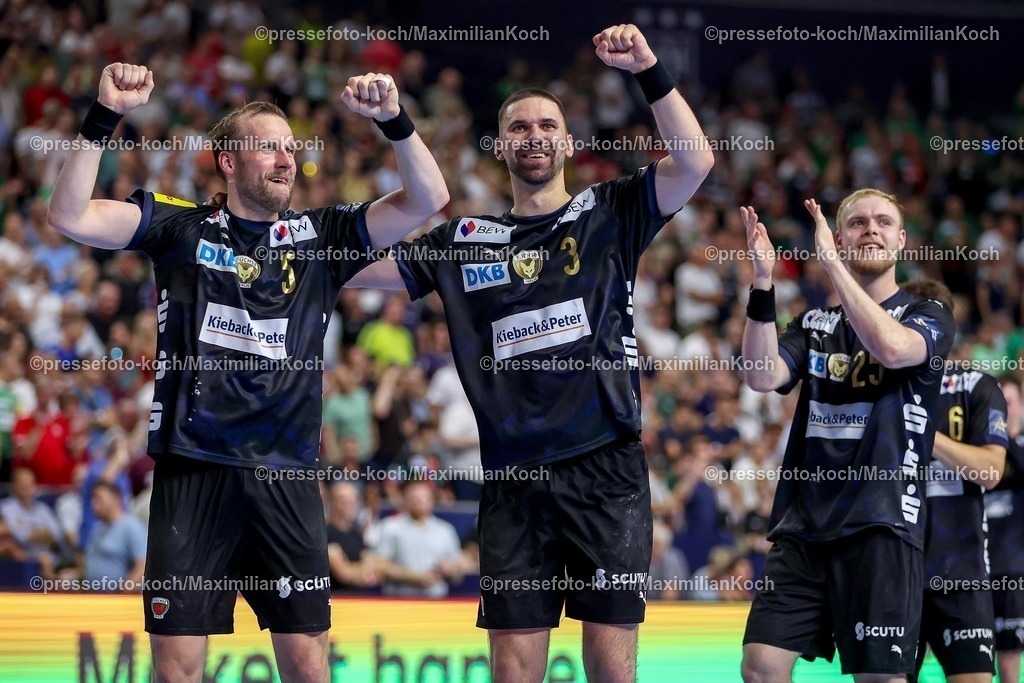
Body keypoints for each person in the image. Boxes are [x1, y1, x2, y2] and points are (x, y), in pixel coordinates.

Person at [46, 62, 448, 683]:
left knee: (308, 666)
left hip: (284, 475)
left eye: (291, 148)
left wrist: (392, 119)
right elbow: (69, 215)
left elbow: (428, 199)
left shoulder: (322, 237)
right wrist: (104, 117)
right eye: (268, 147)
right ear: (228, 162)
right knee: (177, 669)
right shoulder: (179, 226)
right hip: (193, 468)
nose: (286, 158)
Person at [351, 23, 714, 682]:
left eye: (548, 124)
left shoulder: (609, 211)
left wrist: (649, 70)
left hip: (606, 471)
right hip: (514, 482)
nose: (535, 135)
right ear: (500, 146)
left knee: (610, 665)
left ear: (569, 142)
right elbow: (348, 268)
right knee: (514, 671)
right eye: (520, 127)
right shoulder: (465, 240)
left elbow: (694, 162)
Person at [739, 190, 955, 683]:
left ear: (901, 241)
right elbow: (760, 374)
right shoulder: (815, 323)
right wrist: (763, 281)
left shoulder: (929, 315)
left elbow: (894, 348)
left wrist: (832, 266)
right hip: (805, 525)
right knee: (760, 666)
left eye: (883, 223)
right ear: (839, 237)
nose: (871, 230)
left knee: (878, 677)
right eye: (857, 224)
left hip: (881, 523)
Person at [901, 279, 1007, 683]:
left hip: (960, 573)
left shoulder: (976, 385)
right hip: (893, 573)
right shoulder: (878, 386)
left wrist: (925, 433)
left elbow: (991, 471)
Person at [986, 375, 1024, 683]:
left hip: (1013, 571)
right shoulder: (978, 450)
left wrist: (1000, 433)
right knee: (971, 662)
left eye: (1007, 403)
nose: (1002, 410)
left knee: (1009, 663)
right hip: (975, 570)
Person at [82, 480, 147, 589]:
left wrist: (123, 595)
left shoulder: (131, 527)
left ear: (115, 498)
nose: (94, 504)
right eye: (93, 499)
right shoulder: (99, 528)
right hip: (94, 599)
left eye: (98, 498)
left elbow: (142, 567)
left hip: (117, 602)